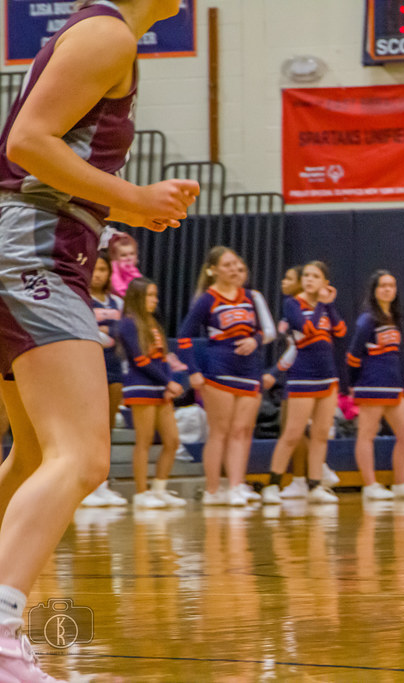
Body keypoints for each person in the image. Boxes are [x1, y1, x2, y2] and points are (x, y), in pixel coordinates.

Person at [0, 0, 198, 677]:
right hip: (33, 253)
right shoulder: (107, 33)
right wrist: (134, 198)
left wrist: (120, 202)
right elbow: (25, 144)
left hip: (31, 248)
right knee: (81, 456)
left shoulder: (100, 34)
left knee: (32, 457)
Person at [176, 246, 275, 507]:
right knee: (219, 432)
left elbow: (264, 331)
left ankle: (235, 486)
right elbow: (184, 337)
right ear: (213, 270)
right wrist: (194, 372)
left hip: (250, 370)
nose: (233, 269)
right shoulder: (207, 299)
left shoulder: (251, 297)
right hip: (219, 370)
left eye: (236, 264)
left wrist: (255, 340)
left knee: (242, 431)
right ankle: (212, 490)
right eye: (227, 264)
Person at [262, 261, 347, 505]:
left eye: (315, 276)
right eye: (307, 275)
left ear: (325, 282)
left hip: (328, 375)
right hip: (302, 375)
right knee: (292, 433)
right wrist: (323, 304)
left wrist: (328, 306)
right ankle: (272, 485)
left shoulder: (325, 307)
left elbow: (340, 331)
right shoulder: (292, 304)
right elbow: (306, 329)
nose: (309, 279)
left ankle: (315, 485)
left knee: (321, 434)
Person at [347, 270, 404, 501]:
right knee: (367, 434)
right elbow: (353, 356)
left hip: (393, 385)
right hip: (372, 385)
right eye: (382, 285)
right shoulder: (367, 320)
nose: (387, 289)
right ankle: (370, 486)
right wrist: (354, 384)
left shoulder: (394, 318)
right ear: (374, 291)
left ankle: (400, 483)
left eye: (391, 285)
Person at [118, 277, 187, 509]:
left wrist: (168, 383)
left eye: (155, 295)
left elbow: (163, 357)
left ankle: (159, 488)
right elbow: (140, 361)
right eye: (150, 295)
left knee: (172, 440)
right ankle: (141, 493)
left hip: (160, 387)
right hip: (140, 386)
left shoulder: (153, 323)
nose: (154, 300)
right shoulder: (128, 323)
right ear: (137, 297)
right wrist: (168, 382)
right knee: (144, 440)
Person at [80, 251, 130, 507]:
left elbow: (123, 335)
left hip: (113, 367)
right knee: (86, 427)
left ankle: (103, 484)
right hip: (87, 367)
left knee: (106, 428)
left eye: (103, 269)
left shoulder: (117, 302)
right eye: (95, 268)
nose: (98, 274)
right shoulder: (80, 299)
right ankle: (85, 486)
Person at [107, 230, 142, 297]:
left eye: (132, 254)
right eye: (123, 255)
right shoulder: (111, 275)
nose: (129, 258)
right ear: (114, 257)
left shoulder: (136, 274)